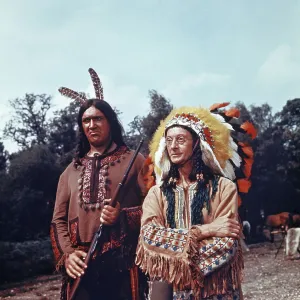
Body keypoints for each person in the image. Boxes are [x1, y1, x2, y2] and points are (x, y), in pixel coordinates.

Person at [136, 103, 256, 299]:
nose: (173, 146)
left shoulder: (224, 187)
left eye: (181, 140)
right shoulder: (156, 193)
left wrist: (173, 259)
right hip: (174, 294)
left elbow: (226, 244)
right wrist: (204, 231)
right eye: (169, 141)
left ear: (198, 144)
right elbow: (149, 238)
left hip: (217, 291)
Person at [50, 68, 146, 300]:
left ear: (110, 122)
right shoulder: (70, 171)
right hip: (81, 269)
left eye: (97, 119)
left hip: (124, 266)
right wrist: (68, 255)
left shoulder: (136, 161)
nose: (92, 125)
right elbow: (58, 221)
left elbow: (157, 211)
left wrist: (122, 216)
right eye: (86, 120)